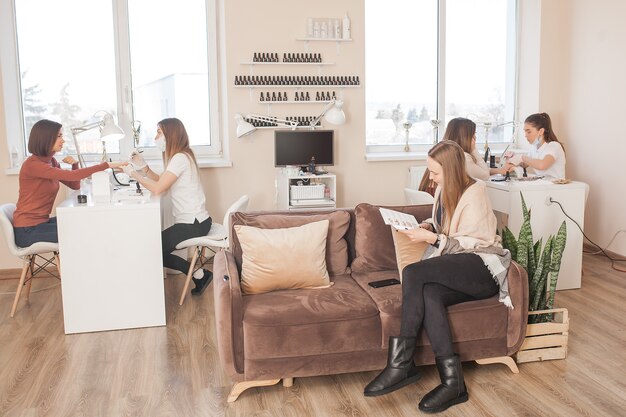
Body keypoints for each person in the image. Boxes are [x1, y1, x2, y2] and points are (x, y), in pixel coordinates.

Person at [363, 141, 512, 413]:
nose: (430, 178)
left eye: (435, 172)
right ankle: (453, 383)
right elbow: (446, 225)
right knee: (429, 293)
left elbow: (475, 243)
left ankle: (401, 365)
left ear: (452, 170)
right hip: (458, 267)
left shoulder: (476, 193)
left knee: (413, 272)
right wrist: (427, 225)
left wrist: (432, 238)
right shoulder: (445, 189)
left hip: (480, 268)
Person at [122, 118, 213, 296]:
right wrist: (143, 167)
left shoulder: (179, 158)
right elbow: (162, 181)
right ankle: (199, 274)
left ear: (170, 135)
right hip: (197, 221)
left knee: (151, 248)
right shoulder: (183, 155)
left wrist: (133, 173)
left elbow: (157, 189)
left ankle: (199, 274)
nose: (156, 137)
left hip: (193, 224)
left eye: (159, 133)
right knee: (154, 248)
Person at [13, 119, 127, 247]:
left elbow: (74, 185)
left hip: (42, 223)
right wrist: (106, 165)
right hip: (27, 230)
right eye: (59, 136)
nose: (63, 140)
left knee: (82, 221)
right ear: (46, 138)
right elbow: (72, 177)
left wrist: (74, 164)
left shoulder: (52, 161)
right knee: (77, 231)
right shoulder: (33, 165)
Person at [442, 117, 514, 180]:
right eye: (473, 134)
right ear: (464, 136)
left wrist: (499, 170)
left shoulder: (447, 154)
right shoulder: (464, 157)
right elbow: (484, 175)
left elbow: (477, 171)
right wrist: (474, 150)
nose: (475, 137)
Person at [507, 112, 566, 179]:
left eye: (528, 132)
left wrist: (522, 157)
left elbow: (542, 165)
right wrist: (514, 158)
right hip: (543, 184)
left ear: (541, 131)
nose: (525, 135)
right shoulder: (534, 148)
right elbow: (525, 164)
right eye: (525, 132)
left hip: (556, 186)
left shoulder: (554, 146)